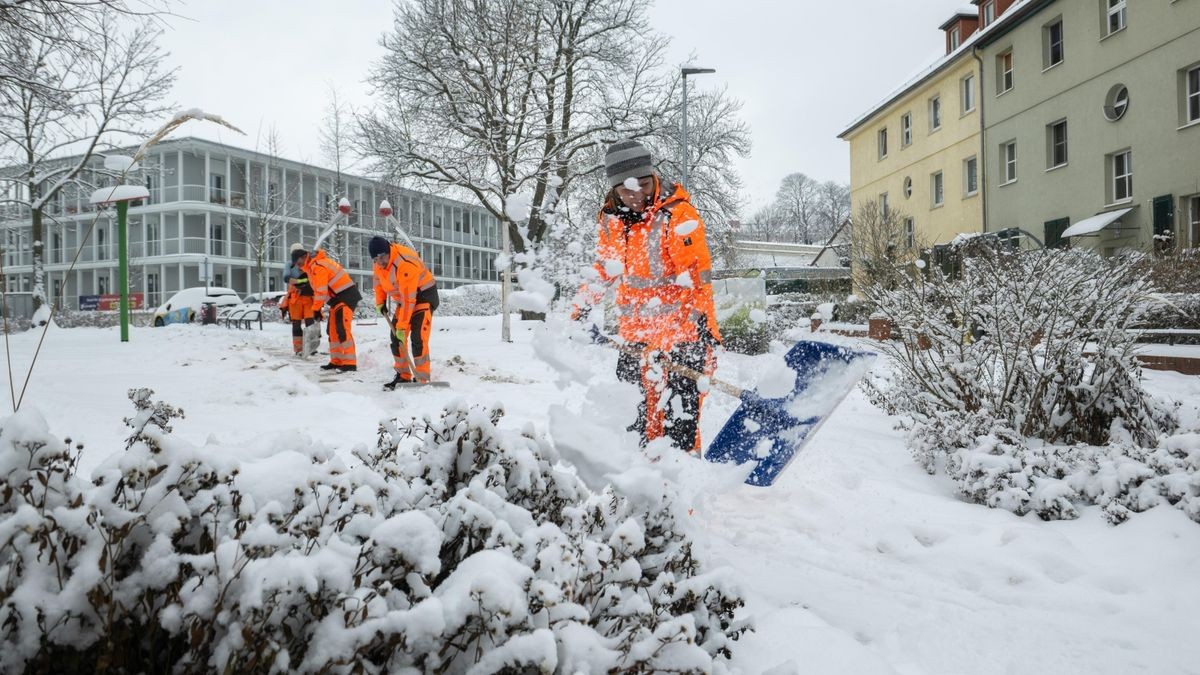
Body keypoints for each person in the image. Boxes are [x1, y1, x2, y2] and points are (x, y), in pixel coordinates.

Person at [574, 139, 721, 454]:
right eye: (627, 189)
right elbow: (604, 267)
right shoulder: (612, 220)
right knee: (635, 421)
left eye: (643, 184)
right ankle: (643, 494)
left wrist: (694, 331)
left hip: (682, 335)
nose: (636, 195)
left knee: (678, 425)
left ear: (652, 176)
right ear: (615, 189)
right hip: (635, 337)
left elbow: (697, 280)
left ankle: (681, 496)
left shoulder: (677, 215)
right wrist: (581, 307)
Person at [368, 235, 439, 389]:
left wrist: (402, 326)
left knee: (418, 338)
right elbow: (378, 283)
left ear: (388, 251)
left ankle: (422, 378)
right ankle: (403, 375)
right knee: (395, 339)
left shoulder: (404, 263)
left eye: (382, 257)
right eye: (375, 259)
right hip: (404, 298)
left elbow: (409, 300)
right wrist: (380, 302)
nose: (380, 262)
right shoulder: (378, 264)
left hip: (423, 295)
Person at [295, 246, 362, 372]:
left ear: (304, 257)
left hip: (346, 297)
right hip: (337, 300)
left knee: (342, 329)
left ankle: (350, 363)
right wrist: (318, 310)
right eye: (296, 265)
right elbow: (319, 291)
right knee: (332, 331)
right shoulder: (312, 268)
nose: (298, 266)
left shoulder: (318, 266)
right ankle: (336, 361)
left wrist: (315, 308)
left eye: (299, 263)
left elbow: (321, 290)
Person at [280, 243, 317, 357]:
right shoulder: (290, 265)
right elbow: (286, 278)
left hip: (308, 298)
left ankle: (311, 348)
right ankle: (298, 349)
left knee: (310, 323)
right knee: (296, 324)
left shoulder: (310, 263)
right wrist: (301, 282)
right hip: (295, 298)